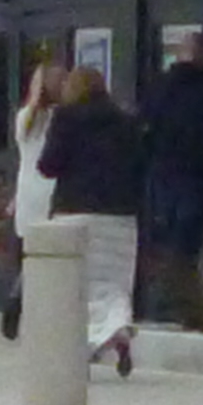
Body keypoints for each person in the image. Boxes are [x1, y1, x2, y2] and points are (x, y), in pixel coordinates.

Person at [36, 60, 144, 375]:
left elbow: (48, 165)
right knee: (115, 284)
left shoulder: (66, 118)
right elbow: (140, 164)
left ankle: (87, 346)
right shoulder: (126, 121)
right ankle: (119, 325)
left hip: (75, 211)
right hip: (121, 215)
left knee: (78, 286)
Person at [136, 29, 203, 319]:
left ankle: (162, 305)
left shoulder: (158, 89)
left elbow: (143, 133)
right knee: (190, 245)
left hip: (162, 181)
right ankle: (183, 304)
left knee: (164, 242)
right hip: (200, 182)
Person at [0, 56, 68, 338]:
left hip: (28, 194)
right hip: (53, 193)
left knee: (32, 254)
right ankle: (21, 298)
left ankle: (20, 299)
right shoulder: (63, 119)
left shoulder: (24, 118)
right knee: (50, 256)